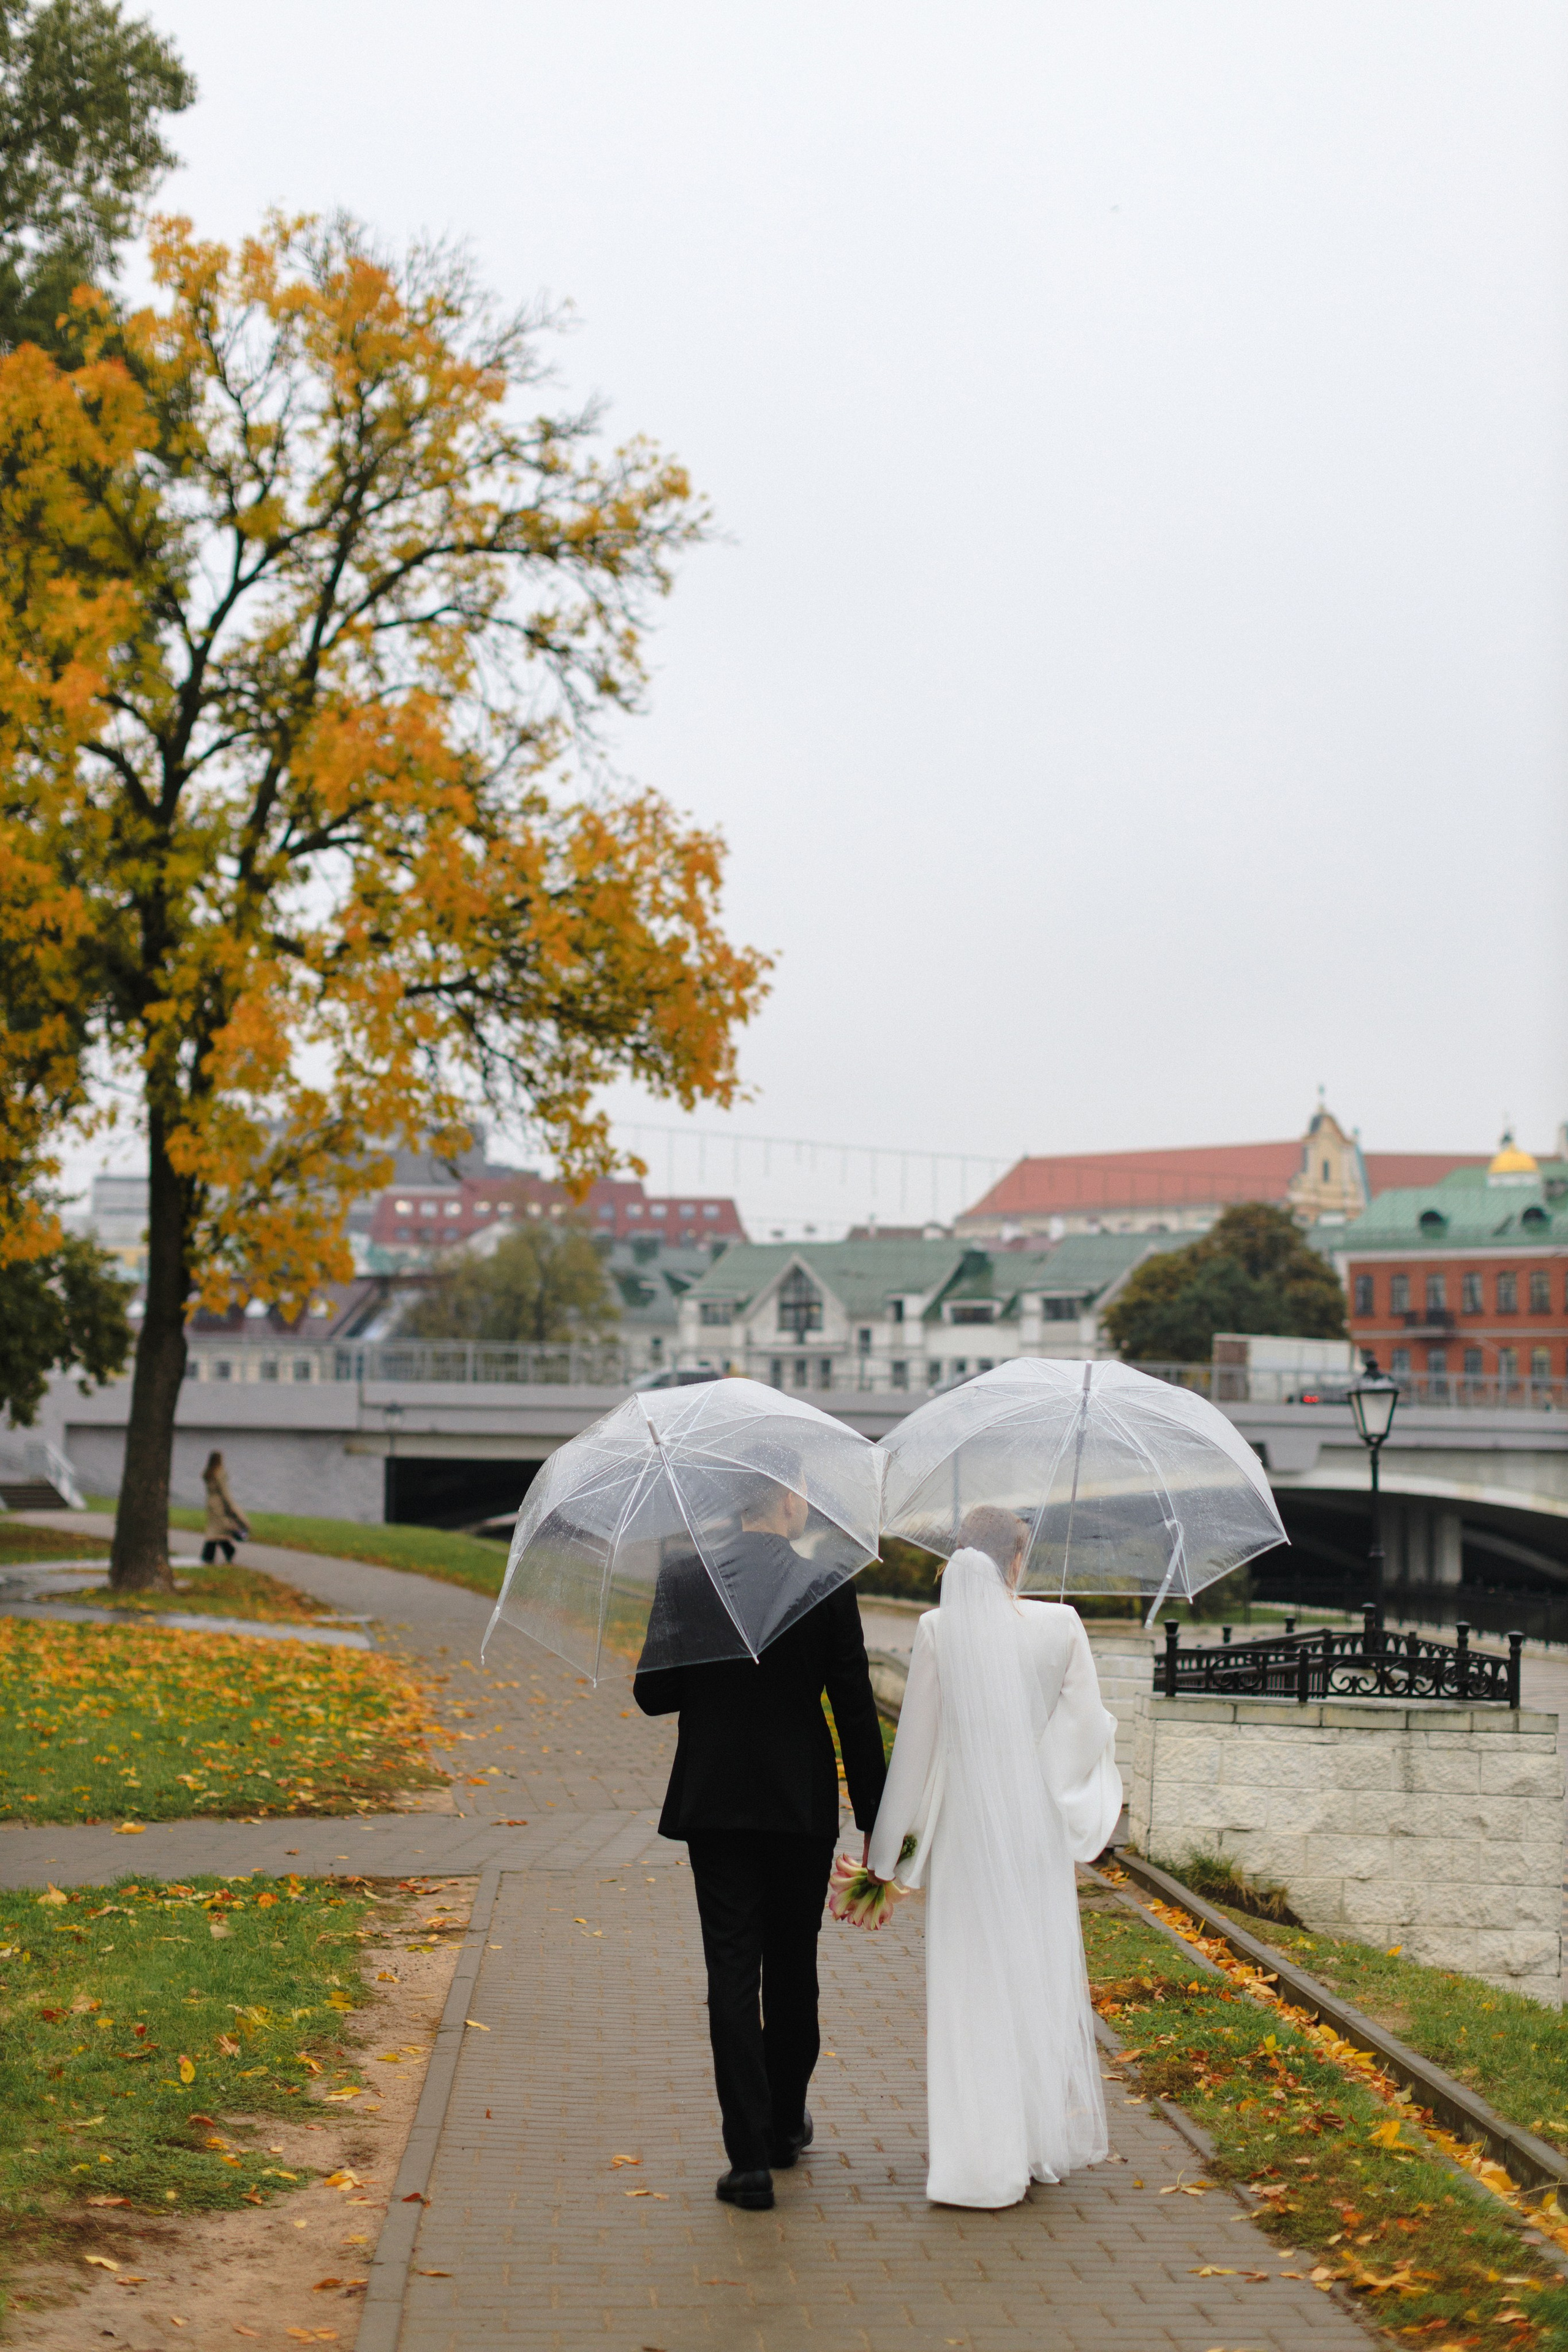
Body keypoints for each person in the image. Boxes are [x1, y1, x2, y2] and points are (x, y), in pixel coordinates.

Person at [633, 1469, 886, 2214]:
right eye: (801, 1491)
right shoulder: (825, 1585)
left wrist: (703, 1658)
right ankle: (783, 2126)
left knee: (732, 1973)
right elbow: (855, 1709)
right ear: (785, 1499)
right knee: (793, 1966)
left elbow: (653, 1695)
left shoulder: (687, 1579)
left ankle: (747, 2162)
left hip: (714, 1804)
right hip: (798, 1804)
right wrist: (877, 1819)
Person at [865, 1504, 1121, 2209]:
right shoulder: (1061, 1626)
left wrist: (884, 1863)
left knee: (969, 1987)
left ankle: (978, 2162)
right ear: (1015, 1561)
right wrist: (1064, 1774)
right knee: (1029, 1977)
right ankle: (1034, 2142)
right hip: (1033, 1831)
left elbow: (914, 1755)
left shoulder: (937, 1630)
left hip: (965, 1837)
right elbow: (1082, 1735)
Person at [200, 1450, 249, 1564]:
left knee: (216, 1530)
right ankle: (224, 1551)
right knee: (219, 1530)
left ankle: (213, 1554)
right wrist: (231, 1506)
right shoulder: (219, 1473)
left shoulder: (208, 1474)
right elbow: (224, 1492)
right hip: (219, 1505)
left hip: (211, 1504)